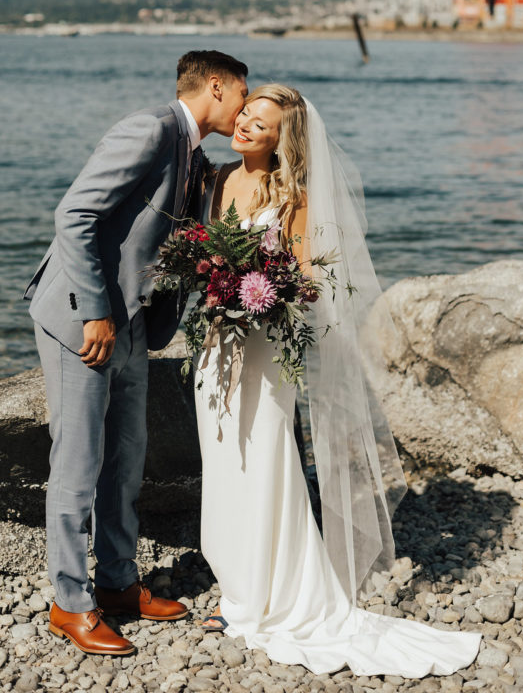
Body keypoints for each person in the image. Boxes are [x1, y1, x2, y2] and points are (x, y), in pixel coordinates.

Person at [194, 84, 481, 677]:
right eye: (247, 114)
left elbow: (305, 278)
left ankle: (272, 595)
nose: (246, 124)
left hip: (264, 345)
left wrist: (261, 298)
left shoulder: (294, 195)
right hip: (216, 340)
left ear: (281, 141)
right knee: (222, 457)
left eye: (263, 125)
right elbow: (202, 253)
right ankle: (236, 581)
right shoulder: (219, 180)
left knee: (266, 457)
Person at [24, 50, 248, 655]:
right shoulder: (151, 129)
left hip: (133, 324)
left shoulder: (197, 157)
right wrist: (96, 311)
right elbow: (74, 214)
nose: (245, 106)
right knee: (78, 461)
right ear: (218, 87)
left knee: (127, 457)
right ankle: (69, 604)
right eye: (243, 94)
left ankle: (120, 583)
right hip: (84, 317)